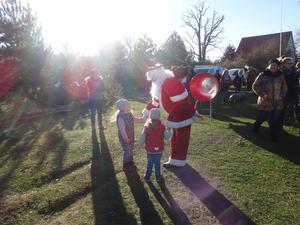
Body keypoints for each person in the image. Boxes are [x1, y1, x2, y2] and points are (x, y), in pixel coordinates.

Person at [145, 66, 195, 167]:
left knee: (181, 139)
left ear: (158, 74)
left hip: (182, 115)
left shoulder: (170, 82)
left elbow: (181, 102)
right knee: (174, 138)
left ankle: (178, 161)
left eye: (153, 79)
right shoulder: (160, 83)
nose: (153, 81)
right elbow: (156, 101)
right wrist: (146, 112)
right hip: (175, 115)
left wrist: (172, 119)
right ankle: (175, 160)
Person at [252, 59, 287, 143]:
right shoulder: (263, 74)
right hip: (265, 101)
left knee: (274, 120)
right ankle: (256, 126)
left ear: (277, 67)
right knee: (262, 117)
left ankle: (273, 136)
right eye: (272, 65)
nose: (273, 67)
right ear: (268, 66)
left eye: (275, 65)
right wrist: (263, 94)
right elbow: (255, 86)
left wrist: (282, 95)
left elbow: (285, 87)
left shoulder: (281, 75)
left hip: (277, 102)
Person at [140, 108, 171, 181]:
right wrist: (169, 130)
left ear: (150, 116)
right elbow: (167, 137)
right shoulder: (162, 127)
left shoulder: (146, 127)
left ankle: (147, 177)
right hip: (159, 149)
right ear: (159, 116)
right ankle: (158, 177)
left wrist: (142, 142)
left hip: (149, 149)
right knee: (157, 163)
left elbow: (141, 139)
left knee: (149, 163)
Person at [115, 99, 136, 170]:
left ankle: (130, 161)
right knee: (127, 150)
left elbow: (136, 119)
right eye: (127, 105)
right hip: (125, 138)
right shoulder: (120, 117)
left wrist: (144, 118)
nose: (129, 106)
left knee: (131, 148)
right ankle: (126, 164)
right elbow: (122, 130)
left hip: (131, 136)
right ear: (122, 107)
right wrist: (126, 138)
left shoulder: (129, 114)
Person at [279, 57, 300, 127]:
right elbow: (290, 78)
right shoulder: (282, 72)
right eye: (288, 63)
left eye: (291, 63)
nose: (290, 65)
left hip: (294, 92)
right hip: (285, 93)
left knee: (293, 107)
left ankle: (293, 120)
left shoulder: (293, 70)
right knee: (283, 109)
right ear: (284, 64)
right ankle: (280, 122)